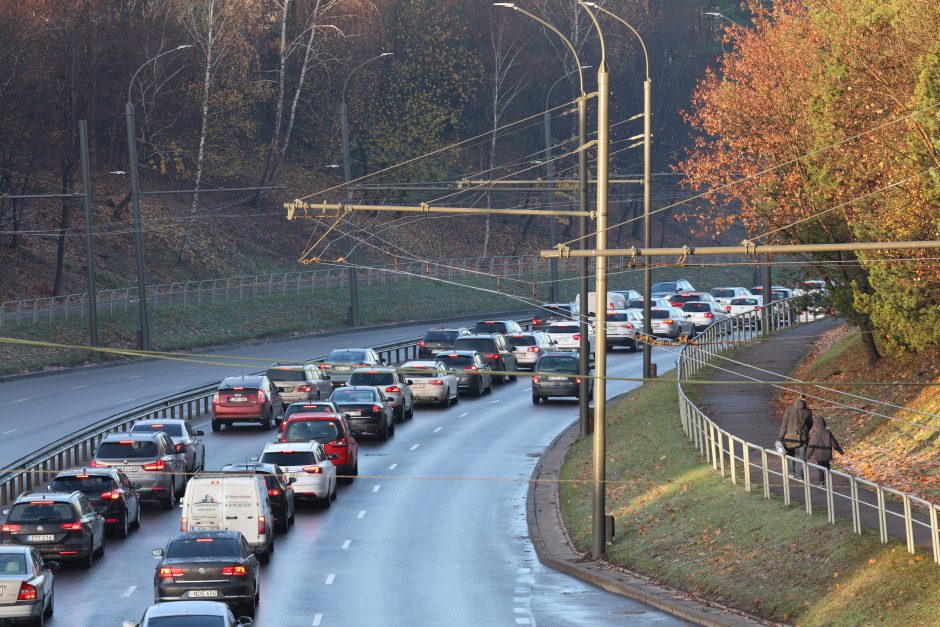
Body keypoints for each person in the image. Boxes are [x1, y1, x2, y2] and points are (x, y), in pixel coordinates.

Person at [778, 395, 813, 479]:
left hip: (790, 436)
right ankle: (802, 476)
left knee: (790, 455)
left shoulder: (789, 409)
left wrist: (781, 436)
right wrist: (805, 432)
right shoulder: (808, 411)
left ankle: (792, 473)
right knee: (803, 457)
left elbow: (784, 424)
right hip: (802, 437)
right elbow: (810, 424)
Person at [805, 416, 844, 485]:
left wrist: (808, 455)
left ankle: (821, 482)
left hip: (818, 455)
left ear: (816, 425)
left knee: (820, 468)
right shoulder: (828, 432)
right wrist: (840, 451)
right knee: (827, 466)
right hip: (827, 454)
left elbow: (811, 446)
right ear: (824, 424)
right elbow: (834, 443)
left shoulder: (815, 434)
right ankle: (828, 479)